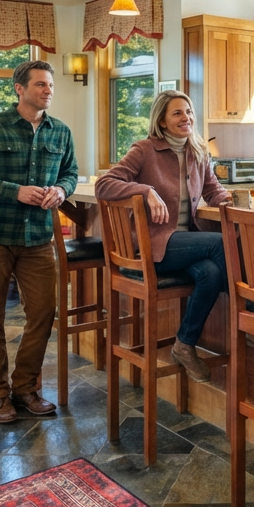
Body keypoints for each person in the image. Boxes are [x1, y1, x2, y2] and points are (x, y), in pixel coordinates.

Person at [0, 60, 78, 424]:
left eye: (51, 86)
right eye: (40, 84)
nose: (48, 91)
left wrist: (61, 189)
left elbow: (70, 172)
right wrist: (15, 192)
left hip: (38, 239)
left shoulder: (61, 132)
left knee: (43, 313)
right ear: (19, 88)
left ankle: (25, 388)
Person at [94, 89, 231, 383]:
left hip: (184, 243)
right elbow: (104, 185)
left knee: (210, 272)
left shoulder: (198, 151)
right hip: (154, 245)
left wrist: (228, 200)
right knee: (221, 243)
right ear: (163, 121)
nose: (186, 117)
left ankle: (184, 344)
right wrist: (145, 190)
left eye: (189, 111)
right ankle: (252, 320)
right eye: (178, 113)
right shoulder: (144, 150)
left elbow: (212, 189)